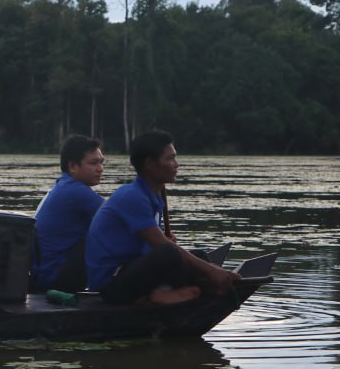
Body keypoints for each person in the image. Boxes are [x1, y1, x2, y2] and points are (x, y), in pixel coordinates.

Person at [85, 130, 239, 305]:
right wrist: (212, 271)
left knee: (200, 256)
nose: (176, 164)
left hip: (131, 268)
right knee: (169, 254)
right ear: (150, 164)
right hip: (110, 284)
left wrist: (211, 269)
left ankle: (174, 290)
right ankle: (160, 293)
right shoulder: (131, 195)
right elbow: (162, 245)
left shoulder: (152, 195)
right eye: (170, 159)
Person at [31, 135, 105, 292]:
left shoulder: (64, 185)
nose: (100, 168)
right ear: (73, 166)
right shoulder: (74, 191)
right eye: (93, 163)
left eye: (101, 162)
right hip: (55, 278)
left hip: (43, 275)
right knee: (106, 233)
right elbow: (119, 214)